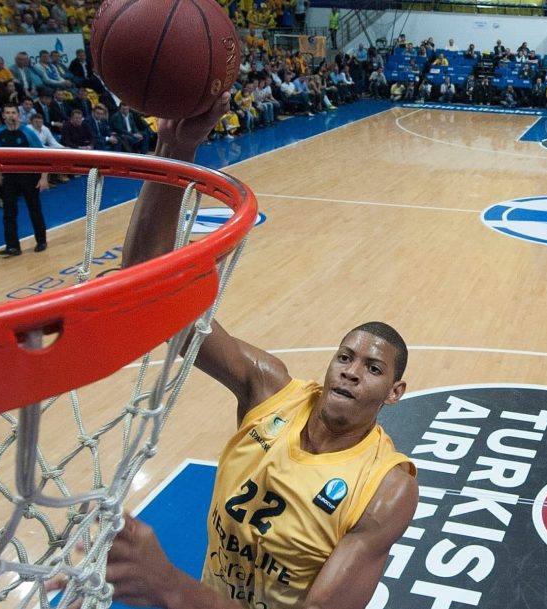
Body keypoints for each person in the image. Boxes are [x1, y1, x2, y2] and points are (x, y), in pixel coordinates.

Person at [49, 93, 419, 609]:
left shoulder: (386, 489)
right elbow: (145, 290)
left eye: (373, 368)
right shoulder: (267, 389)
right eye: (345, 356)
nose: (352, 372)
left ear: (394, 392)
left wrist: (170, 588)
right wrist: (175, 147)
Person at [0, 102, 48, 257]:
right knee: (8, 212)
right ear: (3, 115)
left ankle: (41, 240)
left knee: (34, 209)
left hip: (29, 176)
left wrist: (43, 178)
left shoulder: (27, 132)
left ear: (18, 115)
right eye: (8, 113)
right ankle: (12, 246)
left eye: (13, 113)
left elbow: (43, 155)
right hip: (10, 177)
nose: (11, 115)